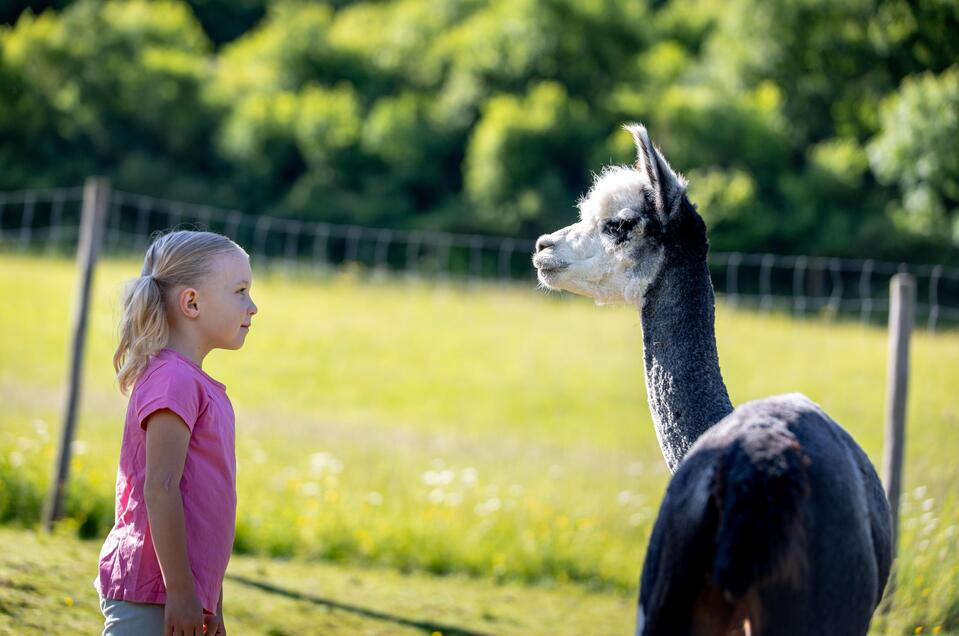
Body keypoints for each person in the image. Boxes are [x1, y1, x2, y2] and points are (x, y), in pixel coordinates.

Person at [94, 230, 257, 636]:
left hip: (181, 594)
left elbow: (203, 508)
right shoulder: (173, 381)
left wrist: (209, 600)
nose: (252, 307)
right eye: (240, 291)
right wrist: (181, 594)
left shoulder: (194, 383)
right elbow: (160, 488)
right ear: (192, 303)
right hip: (153, 592)